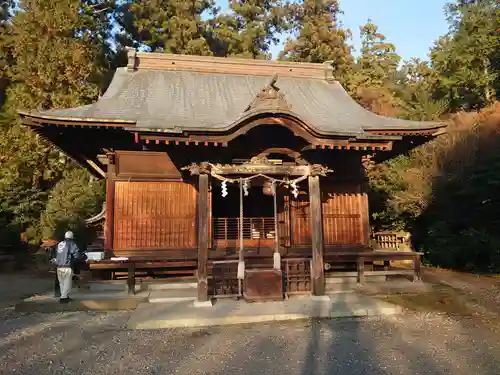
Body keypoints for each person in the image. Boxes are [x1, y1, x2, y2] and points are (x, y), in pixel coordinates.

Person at [51, 231, 81, 303]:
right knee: (67, 283)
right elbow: (76, 254)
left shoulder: (60, 244)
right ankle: (63, 298)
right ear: (72, 237)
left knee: (62, 283)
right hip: (67, 266)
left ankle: (65, 296)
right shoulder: (71, 243)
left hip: (59, 266)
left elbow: (56, 254)